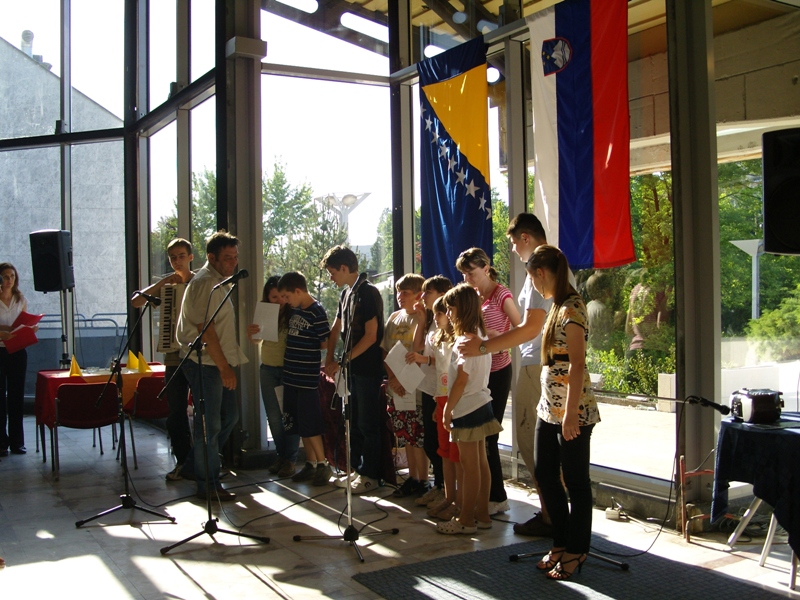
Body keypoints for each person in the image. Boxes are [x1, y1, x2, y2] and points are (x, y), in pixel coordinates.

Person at [458, 213, 571, 536]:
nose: (512, 250)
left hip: (541, 364)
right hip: (542, 363)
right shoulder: (549, 265)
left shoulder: (542, 268)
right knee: (540, 443)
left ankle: (553, 516)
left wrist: (484, 346)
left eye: (512, 242)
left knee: (534, 442)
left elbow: (530, 328)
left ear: (525, 237)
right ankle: (552, 514)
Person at [527, 244, 600, 580]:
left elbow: (577, 363)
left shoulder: (572, 307)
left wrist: (570, 414)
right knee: (545, 475)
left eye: (533, 279)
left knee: (575, 481)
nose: (534, 285)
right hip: (548, 409)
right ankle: (560, 541)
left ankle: (576, 549)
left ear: (542, 273)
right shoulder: (556, 305)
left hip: (573, 411)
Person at [176, 230, 247, 502]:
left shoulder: (220, 281)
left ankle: (195, 466)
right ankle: (208, 484)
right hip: (204, 363)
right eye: (228, 258)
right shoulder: (206, 283)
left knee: (229, 417)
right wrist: (224, 368)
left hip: (218, 361)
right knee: (209, 424)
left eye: (235, 257)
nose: (233, 263)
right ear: (211, 257)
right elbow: (206, 331)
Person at [456, 248, 521, 515]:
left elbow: (521, 328)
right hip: (476, 371)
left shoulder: (501, 295)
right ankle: (481, 496)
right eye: (463, 274)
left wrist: (496, 338)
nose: (467, 279)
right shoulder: (472, 295)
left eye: (471, 273)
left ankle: (496, 496)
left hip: (497, 370)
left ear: (485, 268)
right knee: (477, 436)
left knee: (489, 435)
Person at [436, 283, 501, 535]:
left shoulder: (465, 341)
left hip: (468, 407)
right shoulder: (480, 336)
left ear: (461, 309)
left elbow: (461, 380)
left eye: (451, 309)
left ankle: (465, 519)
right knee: (481, 463)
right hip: (482, 403)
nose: (448, 314)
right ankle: (481, 514)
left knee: (469, 465)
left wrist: (447, 409)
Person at [322, 246, 385, 495]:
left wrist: (343, 360)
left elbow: (371, 336)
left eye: (332, 272)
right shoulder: (346, 293)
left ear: (344, 268)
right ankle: (357, 469)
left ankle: (371, 474)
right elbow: (335, 328)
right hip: (351, 369)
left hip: (368, 368)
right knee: (354, 422)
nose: (331, 278)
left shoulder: (368, 292)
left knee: (368, 423)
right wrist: (329, 358)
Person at [131, 238, 195, 481]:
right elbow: (136, 301)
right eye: (173, 257)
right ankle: (183, 461)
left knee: (203, 411)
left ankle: (202, 461)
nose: (177, 261)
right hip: (173, 357)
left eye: (181, 256)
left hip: (198, 356)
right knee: (176, 412)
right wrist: (162, 283)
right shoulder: (167, 285)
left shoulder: (199, 282)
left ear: (190, 257)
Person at [408, 296, 463, 522]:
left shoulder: (458, 340)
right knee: (444, 453)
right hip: (441, 398)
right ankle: (448, 497)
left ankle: (460, 503)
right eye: (440, 313)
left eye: (442, 313)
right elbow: (441, 372)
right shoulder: (439, 337)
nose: (440, 317)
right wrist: (438, 401)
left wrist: (450, 403)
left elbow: (457, 375)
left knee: (457, 456)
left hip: (454, 401)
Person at [276, 272, 333, 486]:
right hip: (291, 375)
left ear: (298, 291)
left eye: (287, 296)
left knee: (310, 423)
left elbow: (325, 342)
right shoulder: (295, 310)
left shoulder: (316, 311)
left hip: (306, 377)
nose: (285, 301)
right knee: (299, 423)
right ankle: (310, 463)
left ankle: (323, 463)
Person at [407, 275, 452, 509]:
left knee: (440, 443)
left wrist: (424, 359)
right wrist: (422, 320)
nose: (423, 297)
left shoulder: (448, 323)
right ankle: (440, 485)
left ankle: (447, 489)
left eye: (428, 292)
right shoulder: (433, 320)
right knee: (430, 442)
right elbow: (417, 349)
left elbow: (447, 360)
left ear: (443, 294)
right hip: (428, 387)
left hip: (441, 389)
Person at [247, 275, 299, 479]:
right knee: (274, 417)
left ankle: (291, 459)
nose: (279, 301)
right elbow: (256, 340)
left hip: (288, 369)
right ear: (267, 298)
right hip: (268, 368)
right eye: (274, 297)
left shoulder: (294, 313)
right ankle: (282, 456)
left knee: (289, 416)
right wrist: (252, 334)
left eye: (281, 296)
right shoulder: (265, 313)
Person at [382, 273, 428, 498]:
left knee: (418, 435)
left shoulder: (423, 319)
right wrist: (392, 378)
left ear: (419, 295)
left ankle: (423, 479)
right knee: (406, 434)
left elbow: (422, 352)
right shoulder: (394, 317)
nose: (400, 296)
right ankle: (412, 477)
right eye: (398, 292)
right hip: (397, 385)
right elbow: (385, 350)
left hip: (416, 385)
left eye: (405, 293)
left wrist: (403, 379)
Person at [0, 262, 35, 456]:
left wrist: (31, 329)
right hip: (0, 350)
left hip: (17, 351)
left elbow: (23, 323)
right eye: (5, 276)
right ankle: (1, 443)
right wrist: (3, 331)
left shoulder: (20, 299)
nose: (9, 280)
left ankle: (17, 442)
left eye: (12, 276)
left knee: (16, 396)